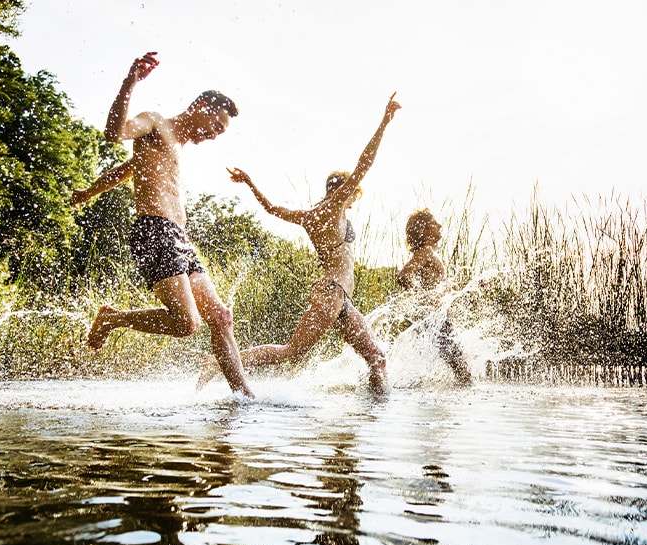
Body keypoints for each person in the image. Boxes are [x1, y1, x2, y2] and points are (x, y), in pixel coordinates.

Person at [197, 93, 402, 394]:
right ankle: (218, 361)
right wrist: (384, 121)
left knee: (377, 358)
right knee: (292, 351)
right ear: (346, 192)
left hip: (339, 298)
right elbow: (365, 162)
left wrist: (251, 183)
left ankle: (374, 414)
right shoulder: (334, 207)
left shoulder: (309, 215)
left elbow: (270, 208)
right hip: (332, 294)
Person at [79, 51, 254, 398]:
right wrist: (130, 81)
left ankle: (244, 397)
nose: (216, 135)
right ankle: (113, 318)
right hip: (153, 231)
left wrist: (90, 190)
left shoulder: (176, 146)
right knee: (188, 323)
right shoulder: (155, 122)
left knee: (220, 316)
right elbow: (115, 132)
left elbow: (128, 169)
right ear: (202, 106)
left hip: (179, 238)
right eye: (216, 126)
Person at [396, 209, 472, 385]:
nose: (440, 225)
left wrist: (469, 285)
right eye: (434, 223)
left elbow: (442, 288)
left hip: (436, 315)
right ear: (424, 229)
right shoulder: (425, 252)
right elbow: (403, 276)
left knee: (456, 364)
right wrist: (425, 298)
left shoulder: (429, 252)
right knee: (461, 368)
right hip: (433, 315)